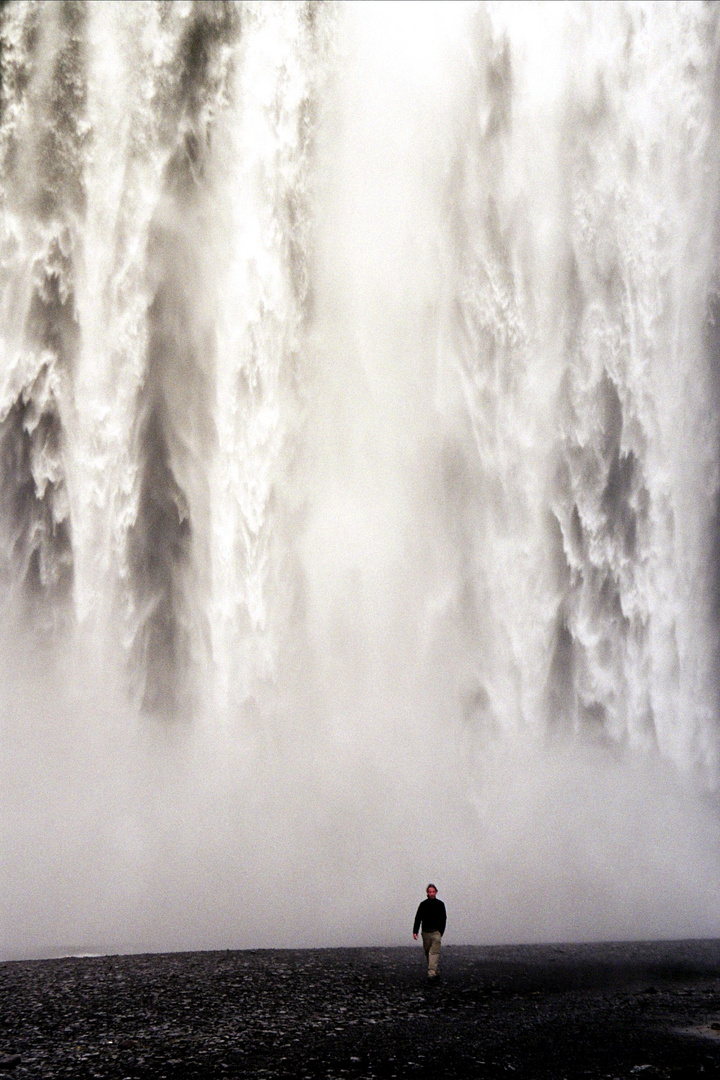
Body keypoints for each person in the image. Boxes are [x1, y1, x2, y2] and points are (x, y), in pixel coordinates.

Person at [412, 883, 446, 978]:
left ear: (436, 892)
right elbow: (418, 918)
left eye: (433, 892)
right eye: (430, 892)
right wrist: (415, 931)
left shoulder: (440, 904)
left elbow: (443, 919)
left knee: (434, 952)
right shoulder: (423, 905)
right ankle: (433, 968)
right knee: (427, 952)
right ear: (427, 892)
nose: (431, 893)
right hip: (425, 932)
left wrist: (440, 932)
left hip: (436, 932)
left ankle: (431, 972)